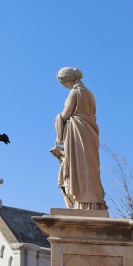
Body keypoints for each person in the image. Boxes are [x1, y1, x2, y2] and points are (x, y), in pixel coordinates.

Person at [50, 67, 107, 211]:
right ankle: (93, 202)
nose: (65, 86)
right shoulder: (90, 94)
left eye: (63, 83)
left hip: (78, 133)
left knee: (80, 166)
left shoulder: (75, 92)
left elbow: (64, 115)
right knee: (90, 167)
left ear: (68, 80)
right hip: (90, 133)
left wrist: (57, 120)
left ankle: (83, 202)